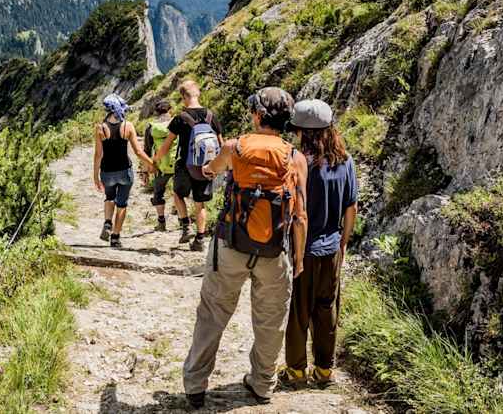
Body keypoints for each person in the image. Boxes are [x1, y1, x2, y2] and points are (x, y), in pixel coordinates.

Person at [182, 87, 308, 408]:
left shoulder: (234, 147)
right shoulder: (295, 158)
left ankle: (196, 384)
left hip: (231, 244)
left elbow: (210, 169)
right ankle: (262, 384)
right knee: (270, 320)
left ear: (257, 115)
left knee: (212, 312)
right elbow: (301, 215)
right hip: (274, 250)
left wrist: (209, 169)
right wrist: (299, 259)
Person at [283, 99, 358, 387]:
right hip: (332, 247)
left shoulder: (297, 162)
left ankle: (296, 371)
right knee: (327, 310)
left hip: (301, 248)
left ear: (302, 132)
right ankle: (325, 370)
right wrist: (343, 243)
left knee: (298, 313)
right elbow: (351, 207)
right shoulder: (346, 161)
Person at [151, 80, 223, 252]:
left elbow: (167, 144)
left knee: (178, 194)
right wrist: (218, 166)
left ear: (183, 97)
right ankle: (200, 239)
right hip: (205, 167)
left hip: (184, 165)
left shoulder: (180, 118)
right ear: (198, 94)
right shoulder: (211, 116)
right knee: (200, 204)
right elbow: (222, 143)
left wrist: (155, 159)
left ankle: (186, 226)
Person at [93, 94, 155, 249]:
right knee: (122, 204)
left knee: (109, 197)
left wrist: (95, 176)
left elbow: (98, 155)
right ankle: (115, 237)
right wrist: (152, 164)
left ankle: (107, 223)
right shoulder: (128, 126)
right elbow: (138, 152)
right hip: (124, 171)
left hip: (107, 171)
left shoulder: (100, 128)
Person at [143, 99, 176, 232]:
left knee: (158, 193)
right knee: (178, 193)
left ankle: (161, 222)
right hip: (178, 164)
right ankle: (183, 222)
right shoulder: (177, 123)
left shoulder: (151, 127)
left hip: (160, 165)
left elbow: (146, 150)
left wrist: (145, 170)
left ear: (156, 112)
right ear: (170, 110)